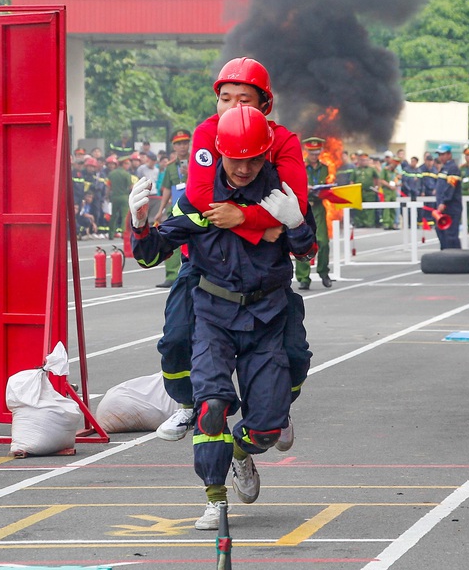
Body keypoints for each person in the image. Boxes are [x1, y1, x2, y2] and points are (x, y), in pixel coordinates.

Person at [130, 105, 316, 531]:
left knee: (266, 431)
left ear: (266, 154)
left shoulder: (278, 196)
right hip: (213, 315)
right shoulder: (198, 198)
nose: (245, 167)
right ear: (219, 152)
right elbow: (151, 255)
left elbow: (307, 253)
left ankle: (241, 452)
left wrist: (295, 224)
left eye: (254, 158)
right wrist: (140, 224)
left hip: (268, 316)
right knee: (211, 406)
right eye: (235, 158)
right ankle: (215, 498)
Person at [153, 57, 310, 445]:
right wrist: (262, 224)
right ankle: (190, 404)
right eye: (226, 98)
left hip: (263, 275)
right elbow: (202, 197)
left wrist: (242, 218)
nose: (234, 108)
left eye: (245, 99)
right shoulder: (207, 132)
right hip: (208, 267)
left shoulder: (284, 141)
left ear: (265, 105)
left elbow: (294, 207)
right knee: (175, 340)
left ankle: (277, 412)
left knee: (293, 354)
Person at [151, 130, 192, 288]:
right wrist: (160, 210)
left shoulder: (197, 160)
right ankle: (171, 276)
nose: (182, 147)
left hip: (194, 209)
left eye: (185, 143)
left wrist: (190, 174)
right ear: (173, 146)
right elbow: (167, 189)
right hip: (176, 210)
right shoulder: (169, 167)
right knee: (171, 242)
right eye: (178, 144)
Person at [294, 137, 332, 290]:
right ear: (307, 151)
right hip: (303, 207)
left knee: (323, 242)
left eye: (317, 152)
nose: (314, 155)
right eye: (311, 152)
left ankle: (324, 272)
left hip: (318, 206)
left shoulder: (325, 168)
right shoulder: (299, 166)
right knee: (302, 242)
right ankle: (304, 278)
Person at [433, 143, 462, 250]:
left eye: (443, 154)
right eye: (439, 154)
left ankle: (455, 257)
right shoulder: (444, 168)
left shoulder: (453, 168)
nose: (441, 157)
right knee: (441, 232)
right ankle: (445, 256)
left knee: (451, 235)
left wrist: (443, 202)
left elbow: (451, 187)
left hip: (451, 207)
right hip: (442, 208)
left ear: (449, 154)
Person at [107, 155, 134, 240]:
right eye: (127, 163)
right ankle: (124, 233)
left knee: (113, 215)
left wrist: (107, 196)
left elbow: (108, 187)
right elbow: (131, 187)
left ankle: (111, 234)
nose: (128, 165)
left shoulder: (111, 174)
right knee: (124, 216)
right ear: (123, 164)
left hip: (114, 197)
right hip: (124, 197)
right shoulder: (127, 174)